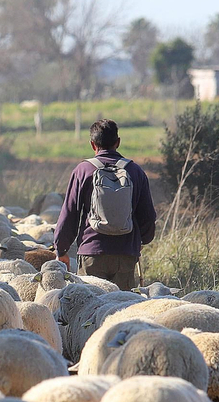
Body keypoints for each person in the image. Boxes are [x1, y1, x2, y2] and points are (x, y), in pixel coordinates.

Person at [52, 118, 157, 290]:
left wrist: (61, 250)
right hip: (125, 255)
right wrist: (141, 240)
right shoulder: (135, 171)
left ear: (93, 144)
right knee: (123, 308)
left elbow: (70, 213)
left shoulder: (82, 171)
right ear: (118, 142)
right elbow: (147, 215)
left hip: (91, 253)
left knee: (90, 309)